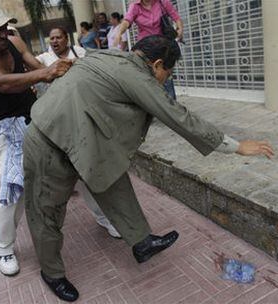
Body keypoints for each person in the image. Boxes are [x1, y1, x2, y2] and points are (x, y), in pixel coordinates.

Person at [22, 35, 274, 302]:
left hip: (84, 135)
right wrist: (236, 146)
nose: (167, 79)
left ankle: (141, 242)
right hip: (49, 139)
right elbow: (178, 116)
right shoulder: (137, 76)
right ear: (156, 64)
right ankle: (52, 273)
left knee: (112, 176)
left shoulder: (110, 55)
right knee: (46, 210)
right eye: (169, 72)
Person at [0, 4, 73, 277]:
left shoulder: (14, 41)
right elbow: (1, 83)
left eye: (4, 27)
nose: (4, 33)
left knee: (78, 165)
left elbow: (37, 66)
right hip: (10, 132)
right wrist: (45, 73)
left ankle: (105, 219)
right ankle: (4, 248)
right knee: (13, 193)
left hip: (37, 119)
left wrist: (66, 72)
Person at [35, 26, 121, 238]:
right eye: (51, 38)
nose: (55, 41)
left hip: (83, 120)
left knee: (89, 173)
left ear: (67, 39)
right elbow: (30, 70)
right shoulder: (42, 59)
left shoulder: (81, 54)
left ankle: (106, 218)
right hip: (55, 125)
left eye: (58, 37)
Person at [115, 0, 184, 100]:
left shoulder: (162, 2)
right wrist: (119, 33)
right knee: (147, 77)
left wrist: (180, 30)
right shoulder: (135, 6)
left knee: (166, 76)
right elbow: (127, 21)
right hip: (146, 49)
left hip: (163, 47)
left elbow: (176, 17)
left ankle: (171, 105)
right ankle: (151, 105)